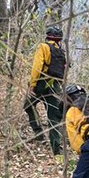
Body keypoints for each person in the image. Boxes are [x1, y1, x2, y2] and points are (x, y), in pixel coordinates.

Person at [24, 24, 67, 156]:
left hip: (41, 83)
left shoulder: (43, 47)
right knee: (54, 117)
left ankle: (39, 133)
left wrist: (32, 85)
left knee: (28, 106)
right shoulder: (61, 51)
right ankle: (57, 150)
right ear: (58, 39)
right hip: (55, 86)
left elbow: (37, 67)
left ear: (47, 36)